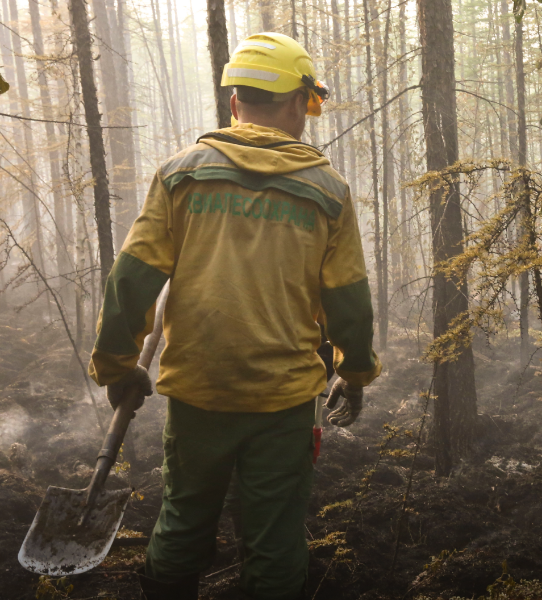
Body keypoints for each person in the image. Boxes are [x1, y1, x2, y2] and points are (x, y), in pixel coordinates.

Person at [88, 32, 381, 600]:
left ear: (233, 104)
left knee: (182, 521)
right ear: (298, 102)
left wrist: (117, 363)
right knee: (275, 542)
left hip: (199, 391)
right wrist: (356, 370)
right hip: (284, 399)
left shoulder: (180, 175)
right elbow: (348, 299)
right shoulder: (327, 191)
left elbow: (132, 280)